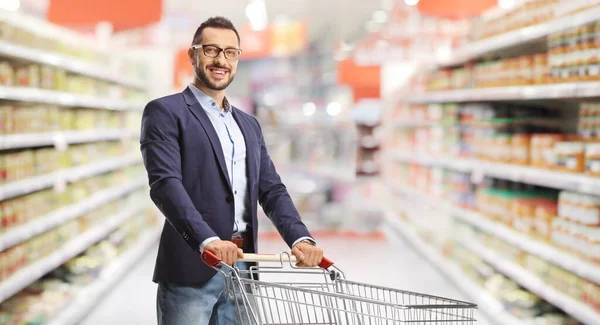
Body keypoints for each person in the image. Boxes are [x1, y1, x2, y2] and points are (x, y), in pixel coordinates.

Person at [140, 16, 324, 325]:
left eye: (230, 52)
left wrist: (300, 239)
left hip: (243, 268)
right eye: (211, 50)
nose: (221, 60)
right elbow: (165, 184)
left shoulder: (248, 124)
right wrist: (207, 240)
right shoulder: (165, 112)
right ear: (192, 54)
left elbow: (271, 189)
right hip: (191, 268)